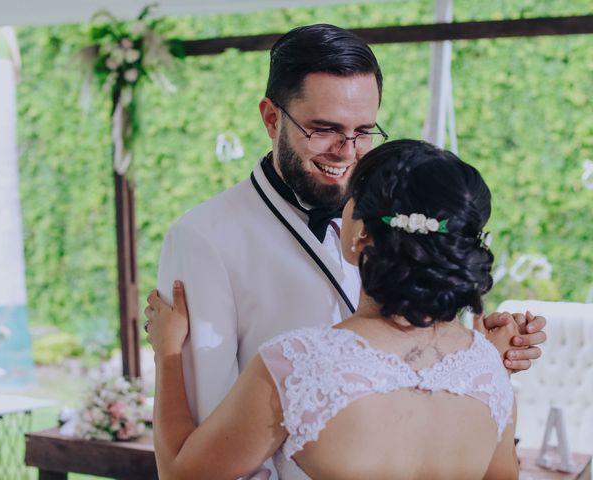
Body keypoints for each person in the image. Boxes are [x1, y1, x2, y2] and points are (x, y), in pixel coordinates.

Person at [155, 23, 544, 477]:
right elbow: (210, 441)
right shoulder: (204, 239)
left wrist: (476, 354)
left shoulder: (391, 206)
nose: (347, 151)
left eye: (364, 131)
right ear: (271, 118)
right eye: (324, 129)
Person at [146, 139, 521, 479]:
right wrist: (483, 351)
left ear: (361, 235)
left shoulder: (299, 366)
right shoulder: (490, 371)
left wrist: (168, 352)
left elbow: (182, 475)